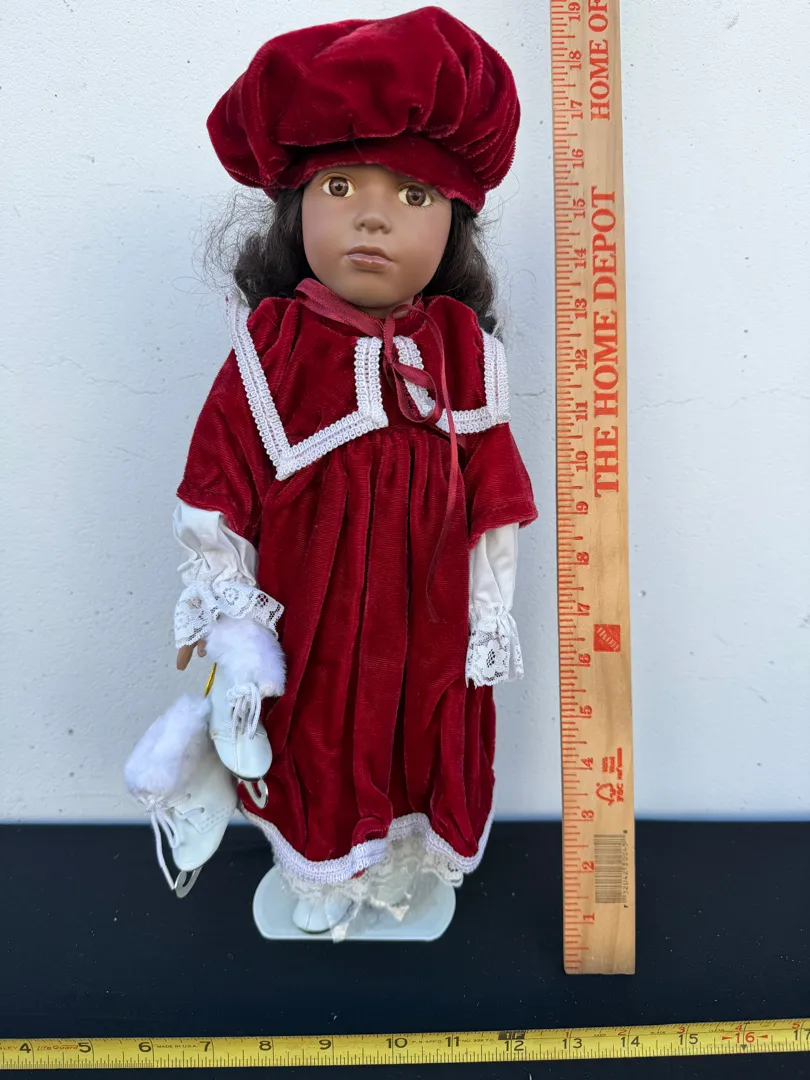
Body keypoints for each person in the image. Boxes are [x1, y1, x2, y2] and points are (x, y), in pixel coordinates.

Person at [135, 5, 538, 937]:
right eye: (341, 185)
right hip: (318, 623)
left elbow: (496, 498)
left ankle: (399, 874)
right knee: (322, 739)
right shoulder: (272, 352)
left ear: (455, 223)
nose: (373, 215)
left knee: (423, 739)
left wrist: (487, 614)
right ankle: (322, 880)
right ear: (294, 208)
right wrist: (237, 629)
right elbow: (216, 495)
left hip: (432, 619)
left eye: (415, 195)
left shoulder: (463, 353)